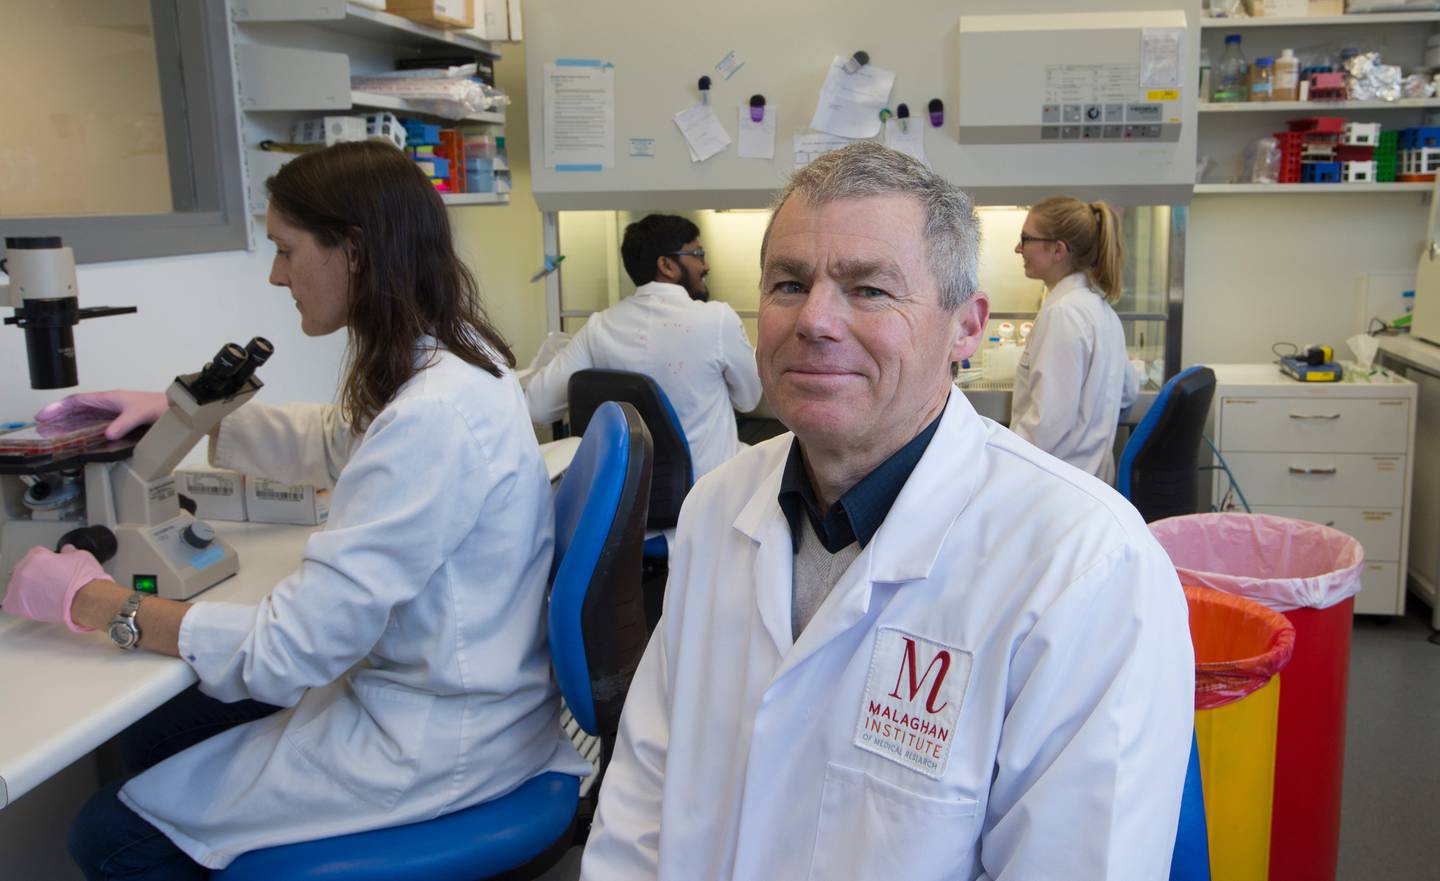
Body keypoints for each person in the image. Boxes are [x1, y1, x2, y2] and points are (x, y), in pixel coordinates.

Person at [580, 143, 1193, 881]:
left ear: (965, 328)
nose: (814, 319)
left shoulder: (1088, 567)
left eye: (868, 289)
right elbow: (641, 799)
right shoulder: (716, 508)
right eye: (787, 283)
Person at [1, 141, 589, 879]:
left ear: (354, 251)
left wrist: (94, 602)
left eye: (285, 250)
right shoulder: (460, 356)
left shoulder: (432, 414)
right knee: (160, 731)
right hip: (466, 694)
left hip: (435, 737)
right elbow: (342, 436)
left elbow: (287, 653)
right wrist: (185, 415)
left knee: (108, 833)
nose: (277, 274)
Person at [524, 214, 762, 480]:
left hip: (631, 508)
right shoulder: (717, 320)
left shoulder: (599, 328)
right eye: (697, 253)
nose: (705, 265)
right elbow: (749, 399)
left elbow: (537, 406)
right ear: (666, 265)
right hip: (707, 500)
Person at [1009, 196, 1139, 484]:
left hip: (1056, 487)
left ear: (1058, 250)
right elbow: (1129, 392)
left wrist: (999, 467)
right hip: (1089, 481)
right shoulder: (1100, 309)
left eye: (1025, 238)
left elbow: (1048, 424)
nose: (1018, 248)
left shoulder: (1063, 314)